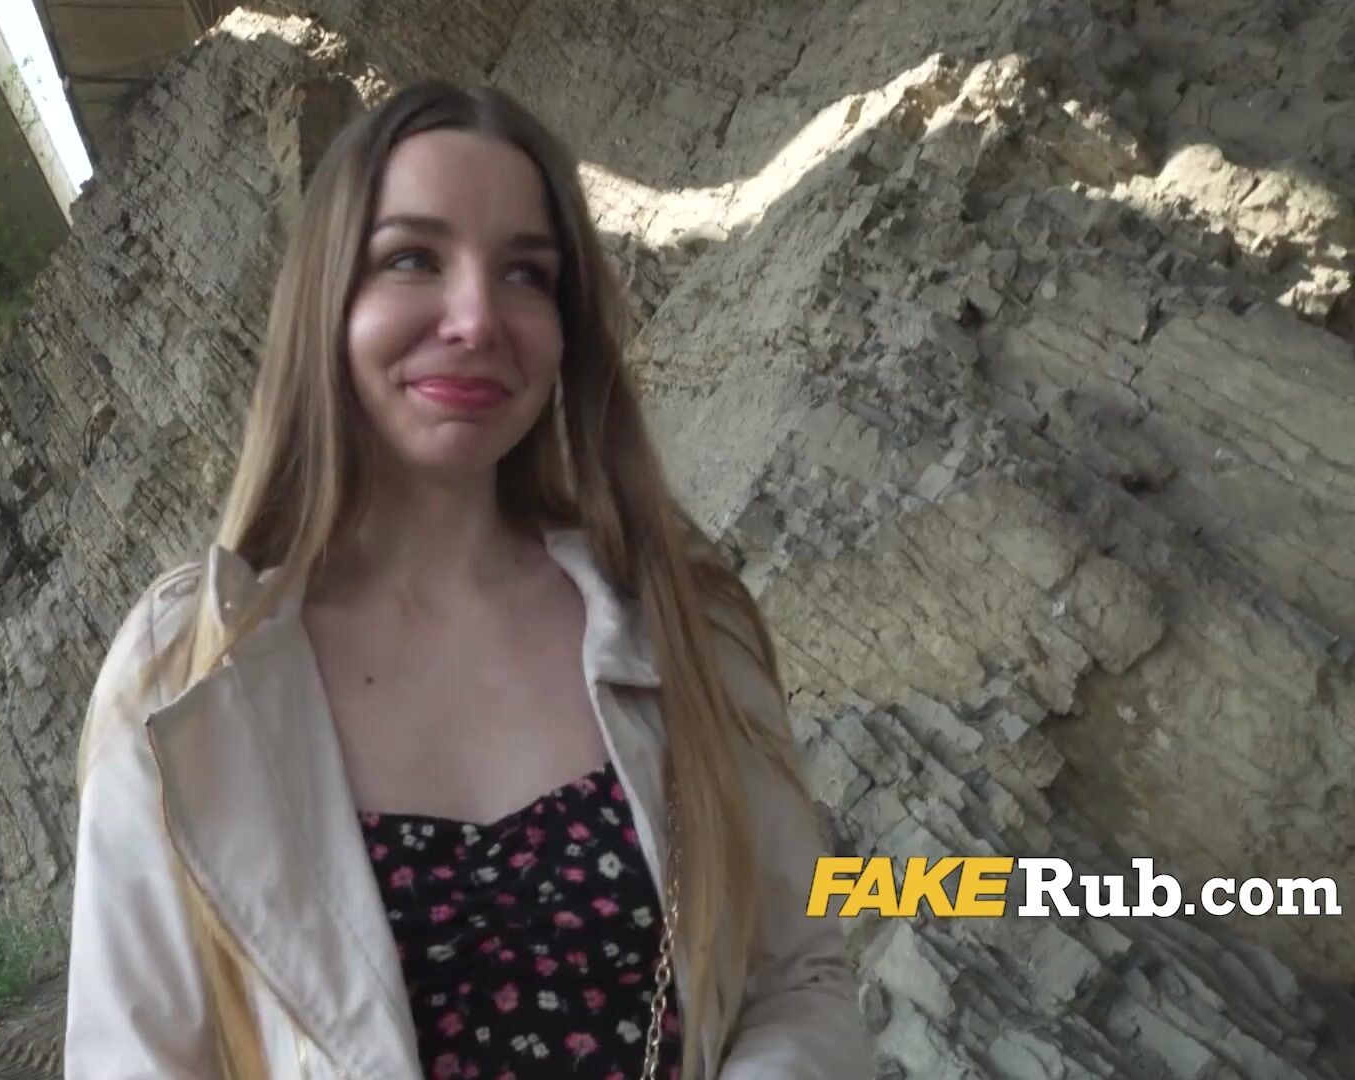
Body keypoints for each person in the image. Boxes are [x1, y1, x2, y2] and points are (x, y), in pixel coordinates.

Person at [63, 80, 874, 1080]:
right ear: (327, 301)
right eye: (413, 257)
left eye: (526, 274)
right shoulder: (186, 663)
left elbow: (798, 979)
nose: (477, 317)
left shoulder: (679, 620)